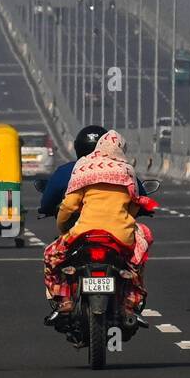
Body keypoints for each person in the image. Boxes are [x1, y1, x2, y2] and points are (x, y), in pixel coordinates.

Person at [42, 130, 156, 318]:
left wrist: (63, 230)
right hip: (121, 236)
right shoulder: (127, 170)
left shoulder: (83, 167)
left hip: (85, 231)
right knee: (135, 262)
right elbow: (136, 204)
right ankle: (131, 301)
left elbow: (69, 205)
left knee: (51, 256)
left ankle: (65, 299)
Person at [38, 124, 144, 217]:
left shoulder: (68, 171)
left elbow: (50, 202)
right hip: (119, 231)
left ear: (77, 147)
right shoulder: (123, 169)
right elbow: (140, 197)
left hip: (78, 230)